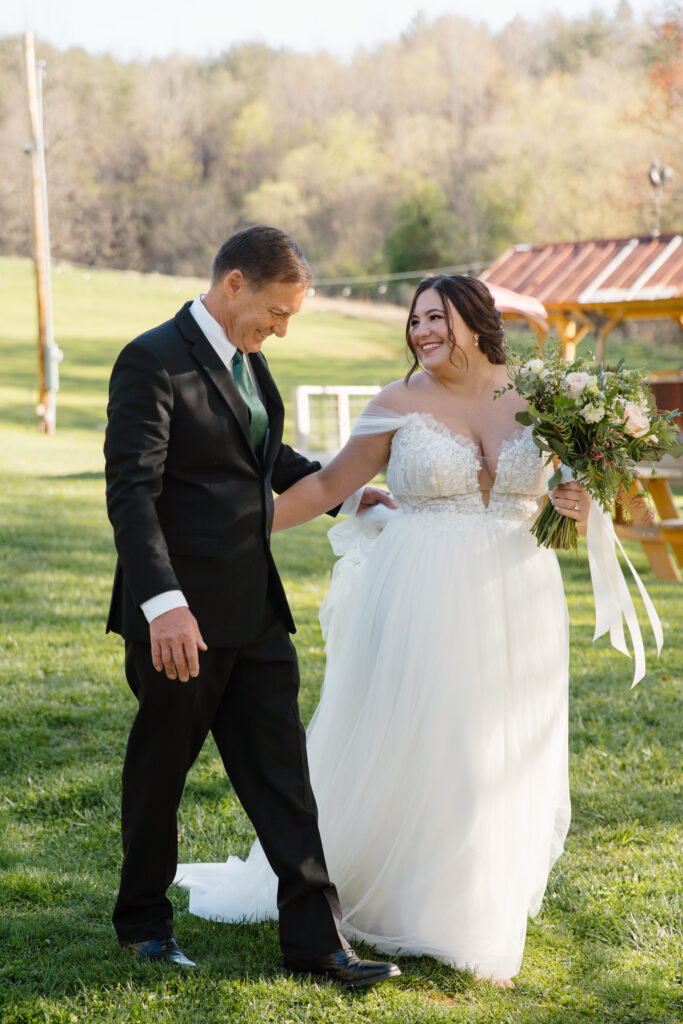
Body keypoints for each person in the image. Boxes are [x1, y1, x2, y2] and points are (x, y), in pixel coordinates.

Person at [174, 273, 591, 988]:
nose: (423, 331)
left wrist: (574, 504)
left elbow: (567, 497)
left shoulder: (540, 397)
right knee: (436, 737)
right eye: (416, 319)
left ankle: (473, 904)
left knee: (500, 740)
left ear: (477, 320)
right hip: (423, 592)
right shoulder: (398, 404)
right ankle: (402, 895)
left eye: (438, 318)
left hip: (520, 592)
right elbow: (324, 487)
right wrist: (230, 531)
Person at [104, 224, 400, 987]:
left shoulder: (249, 363)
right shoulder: (151, 359)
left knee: (282, 776)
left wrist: (344, 495)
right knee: (161, 769)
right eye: (277, 310)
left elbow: (265, 459)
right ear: (233, 282)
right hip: (181, 620)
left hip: (257, 610)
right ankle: (141, 924)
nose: (281, 327)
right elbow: (131, 495)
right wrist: (163, 606)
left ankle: (317, 943)